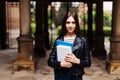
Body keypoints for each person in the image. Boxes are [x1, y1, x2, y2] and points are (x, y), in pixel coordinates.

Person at [47, 11, 91, 80]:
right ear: (64, 24)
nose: (70, 25)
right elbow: (50, 61)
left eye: (73, 22)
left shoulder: (83, 40)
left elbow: (88, 63)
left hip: (76, 76)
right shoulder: (59, 40)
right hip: (60, 76)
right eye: (68, 22)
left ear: (76, 24)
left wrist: (76, 60)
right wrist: (61, 64)